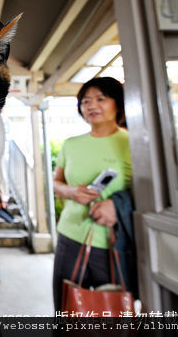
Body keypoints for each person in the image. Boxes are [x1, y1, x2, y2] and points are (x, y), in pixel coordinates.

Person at [52, 77, 132, 311]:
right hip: (70, 236)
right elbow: (56, 182)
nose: (91, 106)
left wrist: (117, 207)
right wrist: (70, 191)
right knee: (67, 310)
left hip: (113, 242)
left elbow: (149, 193)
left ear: (118, 103)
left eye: (100, 99)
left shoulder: (133, 143)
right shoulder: (71, 144)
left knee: (112, 312)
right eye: (85, 101)